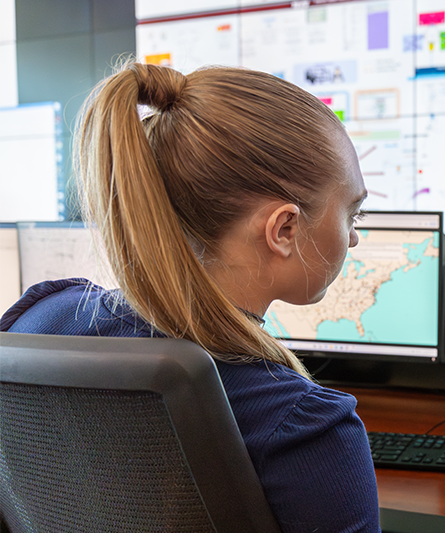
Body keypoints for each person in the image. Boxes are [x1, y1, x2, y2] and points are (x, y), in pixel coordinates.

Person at [0, 63, 379, 533]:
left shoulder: (37, 317)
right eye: (353, 213)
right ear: (284, 229)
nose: (354, 238)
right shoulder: (306, 426)